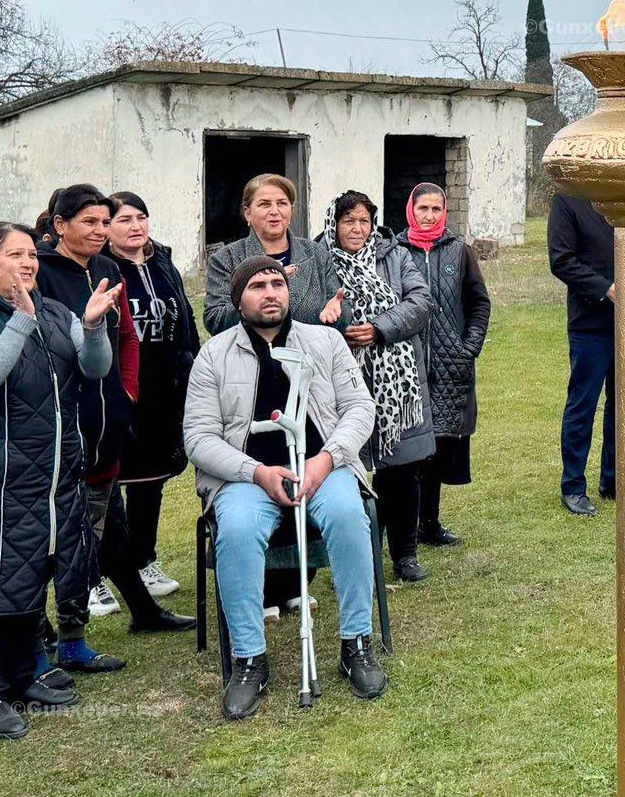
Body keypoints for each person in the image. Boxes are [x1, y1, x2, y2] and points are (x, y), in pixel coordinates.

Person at [0, 223, 119, 738]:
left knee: (30, 570)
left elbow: (94, 368)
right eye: (13, 255)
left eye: (30, 254)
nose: (28, 263)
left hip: (49, 474)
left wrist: (96, 327)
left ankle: (20, 675)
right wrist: (19, 321)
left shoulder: (56, 314)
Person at [184, 257, 385, 720]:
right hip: (247, 478)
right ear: (238, 300)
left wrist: (327, 460)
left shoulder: (325, 341)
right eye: (257, 285)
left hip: (322, 467)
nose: (270, 292)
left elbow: (359, 407)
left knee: (350, 517)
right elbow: (197, 437)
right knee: (234, 530)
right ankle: (249, 659)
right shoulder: (213, 356)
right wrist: (256, 472)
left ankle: (356, 642)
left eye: (277, 283)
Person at [33, 184, 169, 669]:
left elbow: (127, 337)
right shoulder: (39, 273)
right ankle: (44, 637)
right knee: (57, 541)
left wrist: (125, 392)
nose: (98, 230)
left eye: (102, 221)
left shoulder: (109, 270)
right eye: (88, 222)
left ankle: (77, 636)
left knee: (97, 534)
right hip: (57, 431)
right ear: (59, 224)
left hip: (106, 424)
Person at [321, 190, 436, 582]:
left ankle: (405, 554)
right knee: (349, 472)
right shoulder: (320, 259)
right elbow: (309, 310)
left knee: (402, 470)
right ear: (333, 224)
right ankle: (361, 555)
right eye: (348, 220)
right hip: (343, 380)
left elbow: (420, 301)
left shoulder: (394, 255)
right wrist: (341, 327)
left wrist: (380, 329)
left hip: (398, 384)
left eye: (364, 221)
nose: (357, 228)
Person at [107, 191, 202, 603]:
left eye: (141, 217)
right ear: (106, 228)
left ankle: (144, 559)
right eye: (124, 219)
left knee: (151, 481)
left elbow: (186, 317)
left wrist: (194, 366)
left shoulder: (164, 263)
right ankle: (97, 573)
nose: (135, 226)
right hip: (121, 386)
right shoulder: (102, 268)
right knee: (106, 484)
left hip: (165, 388)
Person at [398, 183, 490, 547]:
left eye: (437, 209)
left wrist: (469, 347)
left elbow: (479, 303)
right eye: (424, 208)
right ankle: (401, 525)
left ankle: (430, 523)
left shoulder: (459, 252)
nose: (430, 215)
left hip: (450, 365)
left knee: (438, 445)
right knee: (408, 447)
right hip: (408, 363)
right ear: (411, 210)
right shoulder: (395, 252)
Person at [202, 173, 344, 333]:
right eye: (265, 204)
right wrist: (256, 293)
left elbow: (338, 307)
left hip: (310, 354)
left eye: (282, 203)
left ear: (291, 210)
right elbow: (215, 320)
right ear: (247, 212)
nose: (274, 211)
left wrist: (339, 312)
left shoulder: (317, 253)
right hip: (252, 354)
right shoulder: (226, 259)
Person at [547, 192, 615, 516]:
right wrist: (605, 288)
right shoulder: (569, 200)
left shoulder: (623, 194)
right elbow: (561, 260)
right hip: (590, 323)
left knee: (623, 404)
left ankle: (613, 481)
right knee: (583, 404)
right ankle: (573, 486)